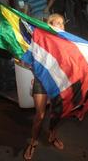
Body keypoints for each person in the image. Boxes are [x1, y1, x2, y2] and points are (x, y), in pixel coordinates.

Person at [23, 13, 65, 161]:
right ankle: (33, 142)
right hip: (41, 80)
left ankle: (52, 137)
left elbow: (77, 59)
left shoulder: (67, 42)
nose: (60, 25)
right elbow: (30, 60)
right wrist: (35, 75)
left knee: (56, 113)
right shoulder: (41, 39)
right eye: (57, 22)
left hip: (58, 82)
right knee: (40, 115)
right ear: (50, 24)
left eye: (62, 23)